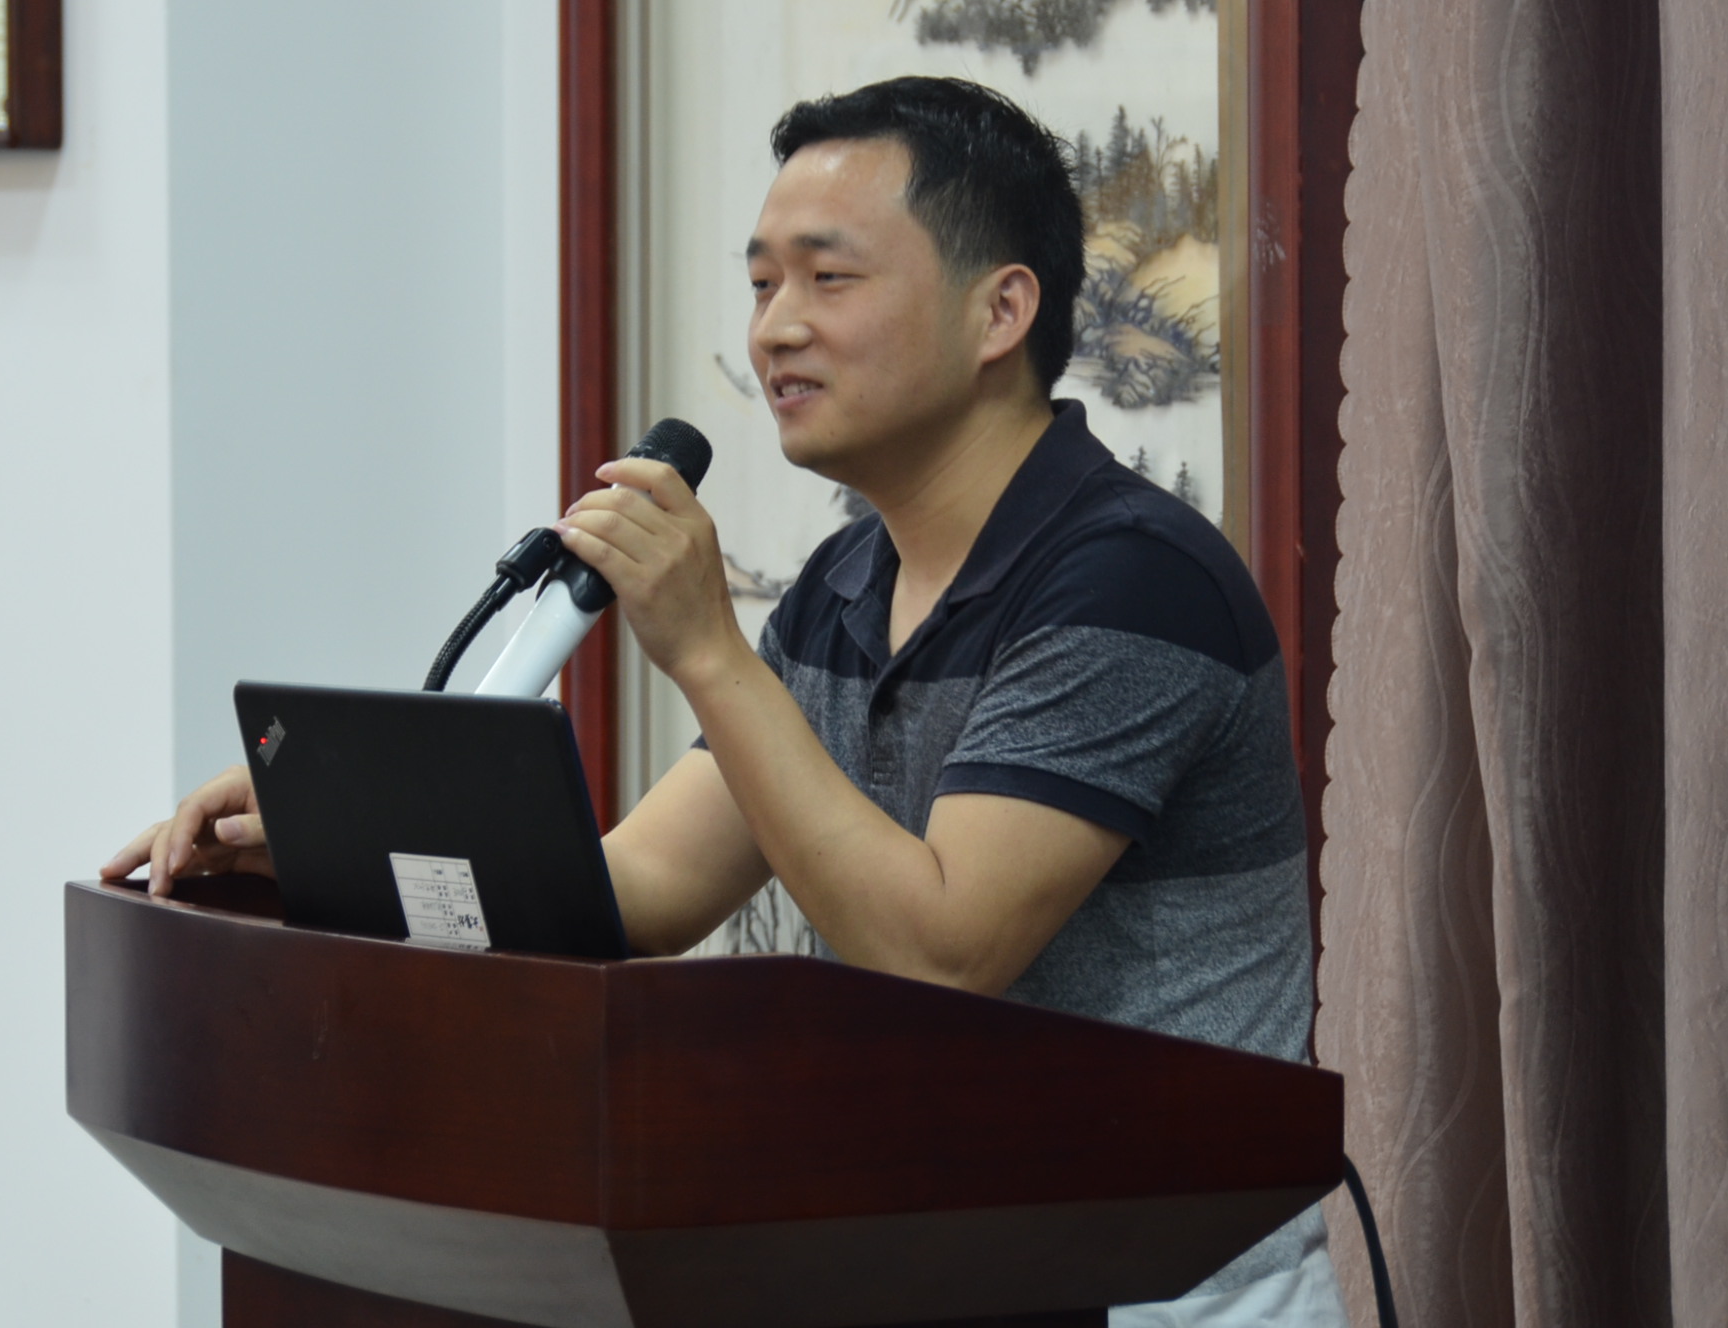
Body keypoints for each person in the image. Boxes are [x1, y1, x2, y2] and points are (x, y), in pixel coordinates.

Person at [103, 77, 1346, 1326]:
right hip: (936, 1275)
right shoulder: (848, 581)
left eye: (828, 278)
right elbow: (639, 893)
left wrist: (707, 648)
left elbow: (938, 955)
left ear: (999, 310)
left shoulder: (1131, 580)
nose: (775, 330)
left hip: (1164, 1291)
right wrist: (332, 836)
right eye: (760, 285)